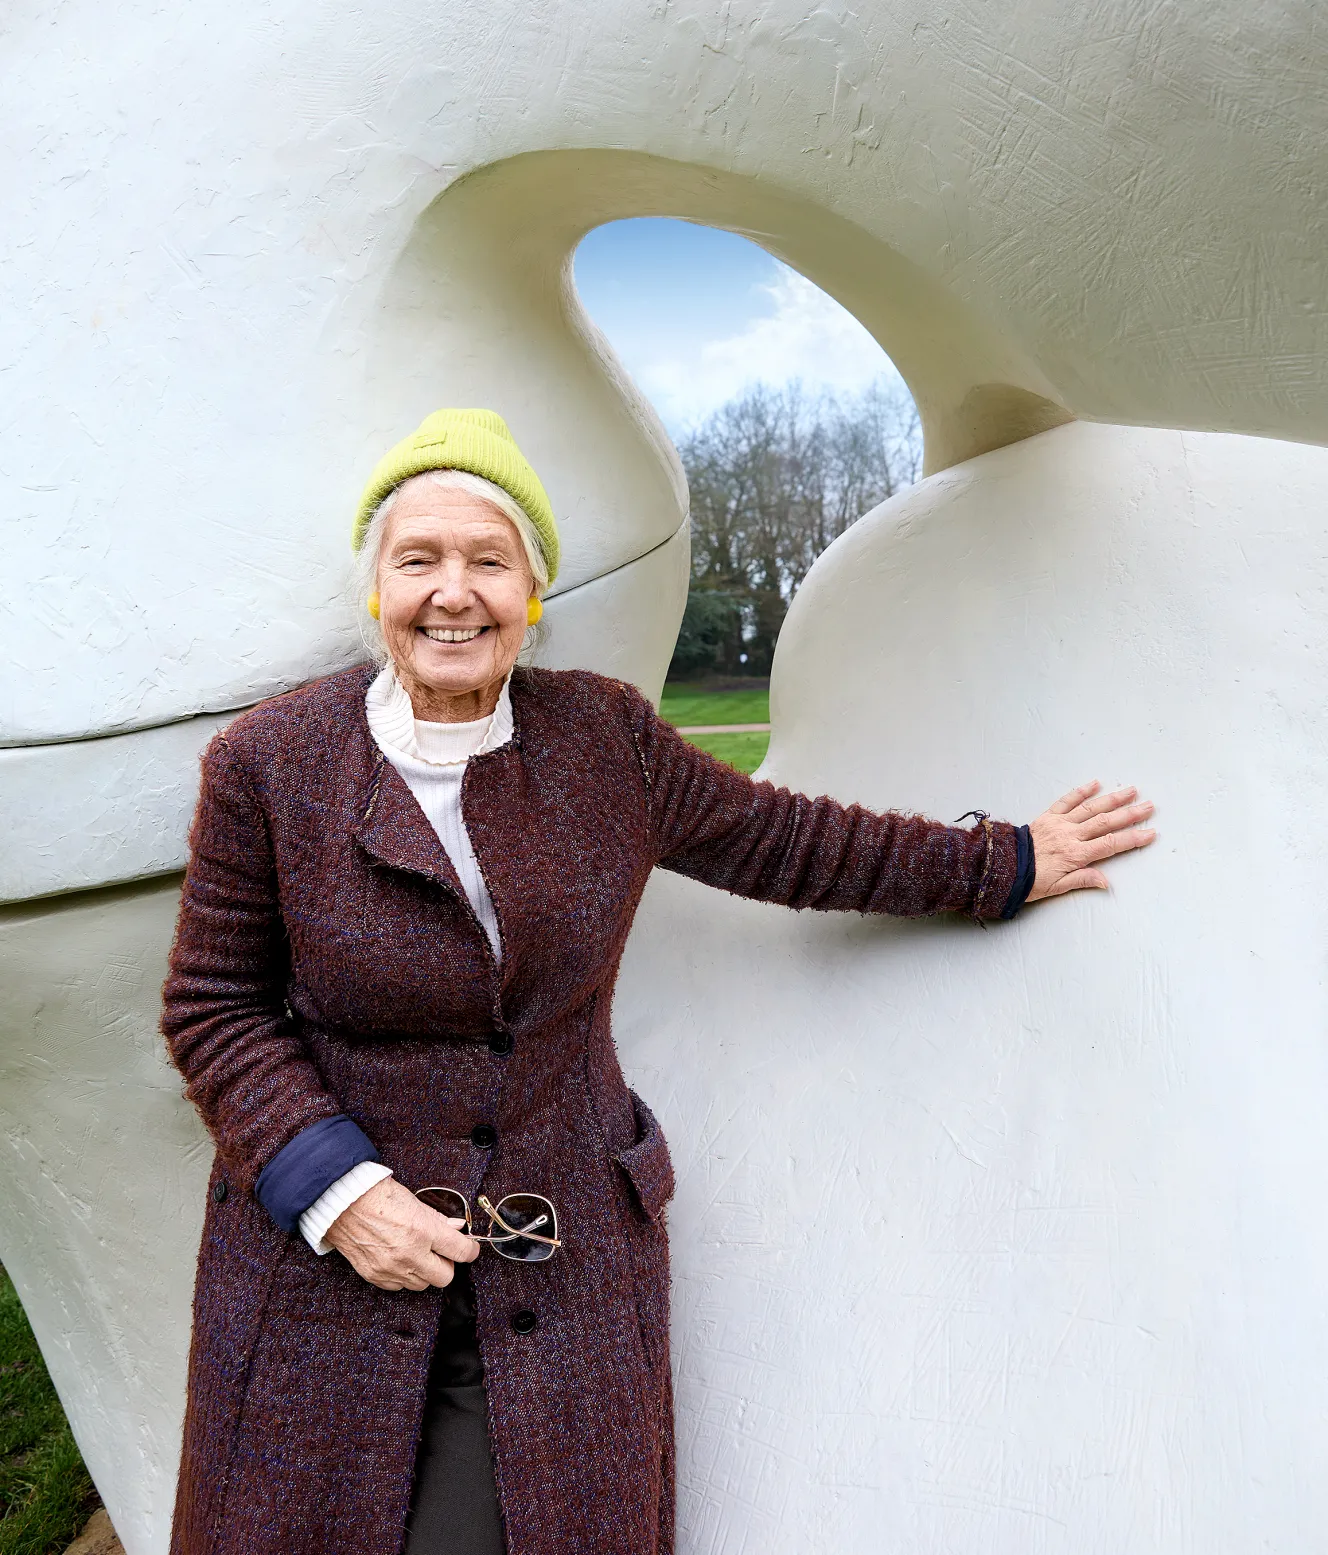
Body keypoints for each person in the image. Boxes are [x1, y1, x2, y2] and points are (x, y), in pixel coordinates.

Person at [161, 408, 1155, 1555]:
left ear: (531, 592)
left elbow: (786, 843)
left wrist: (1005, 860)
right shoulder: (269, 765)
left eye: (490, 561)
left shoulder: (604, 739)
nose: (453, 592)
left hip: (558, 1256)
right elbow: (214, 1006)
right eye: (418, 559)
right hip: (331, 1274)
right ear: (373, 588)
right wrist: (338, 1193)